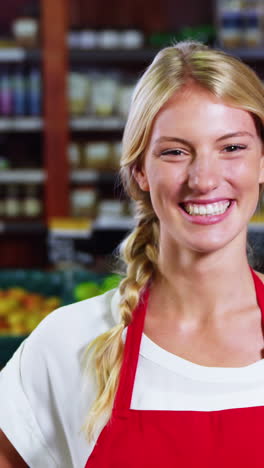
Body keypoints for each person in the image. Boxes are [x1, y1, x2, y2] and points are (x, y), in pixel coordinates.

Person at [1, 40, 264, 467]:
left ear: (262, 161)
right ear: (140, 170)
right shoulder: (72, 342)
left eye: (232, 147)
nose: (204, 179)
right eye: (175, 152)